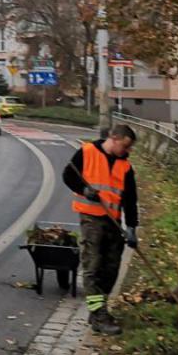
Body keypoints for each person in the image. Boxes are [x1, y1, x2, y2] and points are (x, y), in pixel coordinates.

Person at [63, 123, 139, 336]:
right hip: (91, 218)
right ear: (114, 138)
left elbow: (130, 200)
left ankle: (99, 307)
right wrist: (84, 190)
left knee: (111, 267)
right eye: (125, 146)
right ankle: (98, 314)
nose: (127, 151)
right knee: (93, 264)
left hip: (113, 220)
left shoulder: (125, 167)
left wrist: (131, 227)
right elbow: (68, 176)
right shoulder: (87, 152)